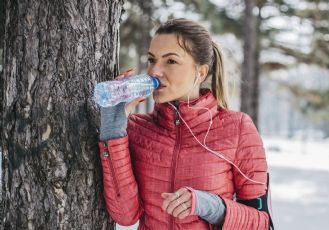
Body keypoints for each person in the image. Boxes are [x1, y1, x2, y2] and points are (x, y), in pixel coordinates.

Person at [98, 18, 273, 230]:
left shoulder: (238, 128)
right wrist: (113, 127)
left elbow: (262, 223)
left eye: (170, 61)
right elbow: (125, 215)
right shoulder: (137, 129)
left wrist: (211, 206)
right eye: (152, 60)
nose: (154, 71)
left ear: (200, 72)